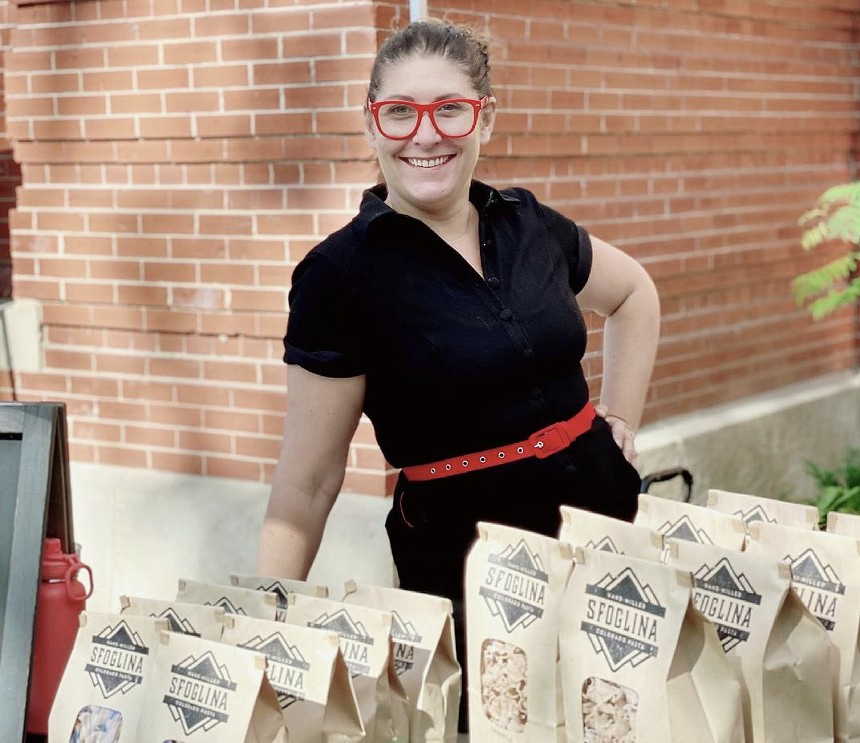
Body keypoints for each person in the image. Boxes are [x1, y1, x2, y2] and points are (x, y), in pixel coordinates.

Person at [257, 17, 660, 731]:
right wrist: (264, 623)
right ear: (372, 121)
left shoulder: (530, 224)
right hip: (467, 566)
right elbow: (307, 482)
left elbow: (634, 295)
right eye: (400, 111)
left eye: (450, 108)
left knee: (627, 716)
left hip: (604, 525)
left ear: (485, 117)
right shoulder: (338, 278)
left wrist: (620, 419)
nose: (425, 133)